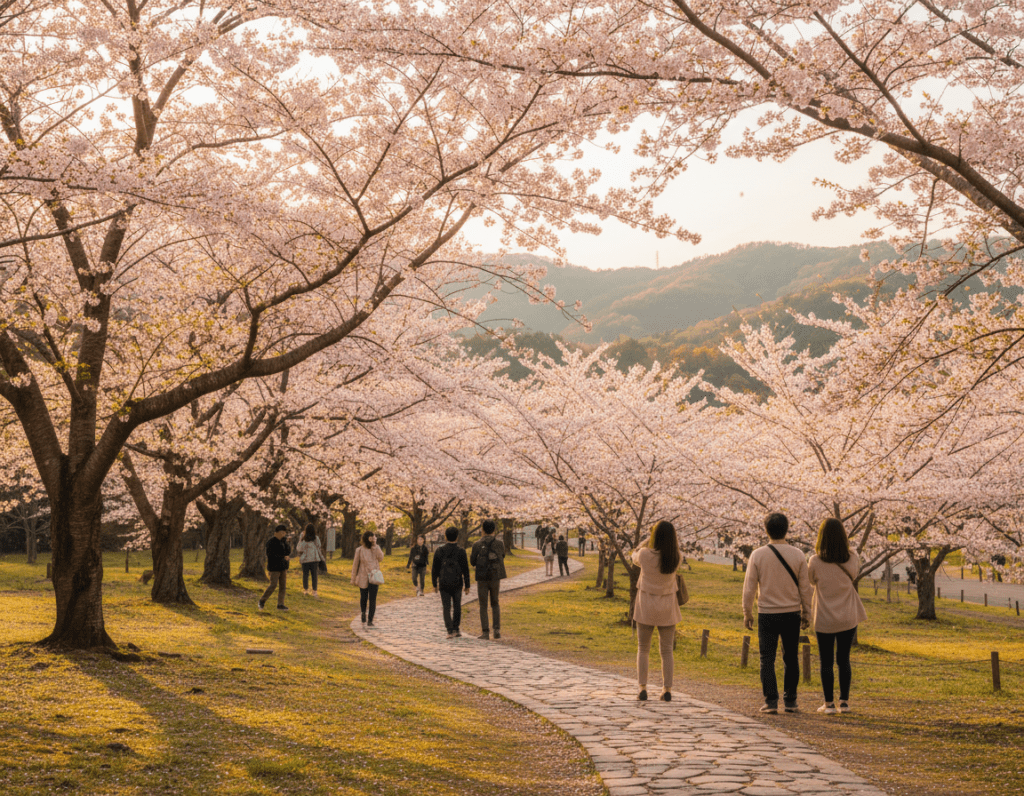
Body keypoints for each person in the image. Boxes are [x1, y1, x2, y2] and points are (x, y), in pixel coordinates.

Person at [742, 512, 813, 714]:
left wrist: (747, 612)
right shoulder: (798, 554)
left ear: (766, 530)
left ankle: (771, 701)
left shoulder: (758, 555)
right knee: (791, 658)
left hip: (767, 614)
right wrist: (806, 613)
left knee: (767, 659)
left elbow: (749, 587)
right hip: (792, 613)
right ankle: (791, 701)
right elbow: (805, 587)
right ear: (786, 529)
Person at [808, 518, 867, 715]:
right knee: (844, 659)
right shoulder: (852, 557)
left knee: (826, 661)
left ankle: (828, 704)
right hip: (848, 615)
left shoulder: (815, 561)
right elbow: (855, 574)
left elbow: (810, 580)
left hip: (824, 616)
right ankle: (844, 702)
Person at [630, 520, 682, 701]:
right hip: (667, 606)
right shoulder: (676, 557)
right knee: (667, 650)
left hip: (646, 604)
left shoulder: (645, 555)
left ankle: (642, 687)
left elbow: (633, 555)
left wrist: (646, 539)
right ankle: (667, 689)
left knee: (643, 648)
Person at [432, 526, 472, 638]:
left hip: (444, 582)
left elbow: (435, 569)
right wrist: (467, 585)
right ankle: (456, 629)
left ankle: (449, 631)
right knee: (457, 605)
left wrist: (435, 584)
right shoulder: (461, 551)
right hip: (457, 582)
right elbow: (466, 569)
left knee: (446, 607)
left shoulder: (439, 550)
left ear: (445, 536)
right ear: (457, 537)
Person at [470, 519, 507, 639]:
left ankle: (485, 632)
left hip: (482, 577)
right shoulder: (500, 543)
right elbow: (503, 556)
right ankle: (497, 630)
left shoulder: (476, 544)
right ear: (494, 530)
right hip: (495, 576)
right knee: (495, 603)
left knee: (483, 605)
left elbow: (472, 562)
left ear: (482, 530)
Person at [351, 530, 385, 626]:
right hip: (363, 576)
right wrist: (353, 579)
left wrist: (375, 545)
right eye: (371, 537)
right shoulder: (359, 550)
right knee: (364, 597)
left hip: (374, 576)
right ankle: (363, 613)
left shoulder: (376, 548)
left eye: (373, 537)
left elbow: (381, 558)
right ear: (366, 538)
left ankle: (370, 620)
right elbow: (355, 565)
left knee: (373, 598)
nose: (372, 539)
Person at [259, 524, 291, 610]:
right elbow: (270, 555)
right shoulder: (271, 542)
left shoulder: (283, 542)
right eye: (281, 533)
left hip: (283, 566)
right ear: (276, 533)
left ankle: (280, 604)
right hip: (274, 567)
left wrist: (286, 542)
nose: (283, 534)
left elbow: (288, 551)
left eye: (284, 533)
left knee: (283, 586)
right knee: (273, 585)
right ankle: (262, 600)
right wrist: (282, 557)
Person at [295, 524, 326, 596]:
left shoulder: (303, 540)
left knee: (305, 575)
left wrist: (301, 538)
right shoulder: (316, 538)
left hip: (305, 560)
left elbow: (299, 549)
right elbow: (319, 546)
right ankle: (314, 591)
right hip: (314, 560)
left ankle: (306, 590)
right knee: (314, 576)